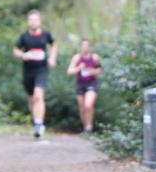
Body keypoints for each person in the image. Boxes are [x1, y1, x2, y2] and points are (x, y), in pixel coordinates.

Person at [14, 10, 57, 138]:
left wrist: (52, 58)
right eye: (31, 20)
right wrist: (23, 55)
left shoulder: (46, 34)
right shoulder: (24, 36)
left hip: (41, 69)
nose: (34, 22)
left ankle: (39, 124)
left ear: (40, 21)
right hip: (28, 71)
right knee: (32, 98)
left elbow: (54, 45)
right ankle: (36, 121)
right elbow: (15, 50)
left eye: (36, 20)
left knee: (39, 95)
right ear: (28, 22)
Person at [66, 39, 101, 133]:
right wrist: (79, 68)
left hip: (92, 83)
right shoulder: (77, 58)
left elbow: (99, 70)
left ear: (90, 47)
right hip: (80, 84)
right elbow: (69, 72)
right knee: (82, 107)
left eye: (87, 45)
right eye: (83, 45)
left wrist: (92, 71)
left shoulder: (94, 57)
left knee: (88, 105)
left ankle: (89, 128)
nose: (85, 47)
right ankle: (85, 127)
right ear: (80, 47)